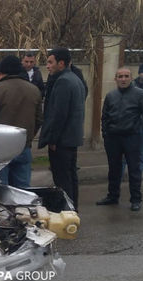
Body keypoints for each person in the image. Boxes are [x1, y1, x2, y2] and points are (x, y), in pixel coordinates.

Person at [97, 67, 143, 212]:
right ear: (115, 79)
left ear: (131, 78)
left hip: (133, 137)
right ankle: (112, 196)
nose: (123, 79)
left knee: (134, 169)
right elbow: (105, 117)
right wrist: (105, 134)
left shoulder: (140, 95)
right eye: (120, 76)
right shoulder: (111, 96)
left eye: (126, 76)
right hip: (113, 138)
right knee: (114, 169)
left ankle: (136, 199)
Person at [0, 55, 43, 188]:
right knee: (22, 189)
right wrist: (28, 138)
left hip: (0, 148)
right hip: (23, 145)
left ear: (2, 72)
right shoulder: (34, 90)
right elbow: (38, 119)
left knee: (1, 189)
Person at [38, 47, 86, 210]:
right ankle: (73, 210)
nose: (47, 66)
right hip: (71, 138)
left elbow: (59, 114)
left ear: (61, 63)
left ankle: (66, 212)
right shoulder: (75, 78)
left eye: (50, 62)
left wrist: (52, 139)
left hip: (62, 141)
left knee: (62, 180)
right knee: (70, 177)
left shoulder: (63, 81)